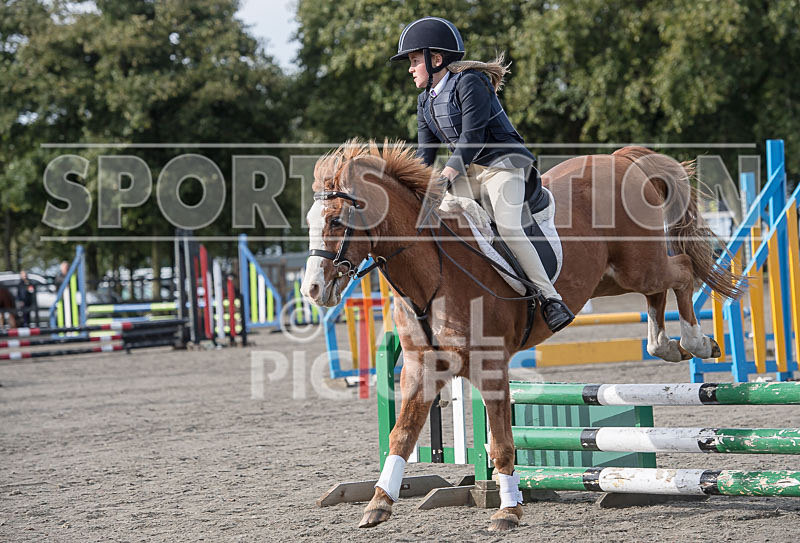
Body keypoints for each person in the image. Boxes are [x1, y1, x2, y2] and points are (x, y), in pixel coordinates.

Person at [391, 16, 574, 332]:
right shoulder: (425, 102)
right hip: (469, 174)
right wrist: (409, 189)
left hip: (503, 165)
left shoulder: (470, 83)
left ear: (437, 60)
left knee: (508, 225)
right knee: (434, 218)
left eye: (415, 60)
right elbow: (425, 156)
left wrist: (446, 176)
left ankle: (550, 299)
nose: (410, 68)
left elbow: (472, 138)